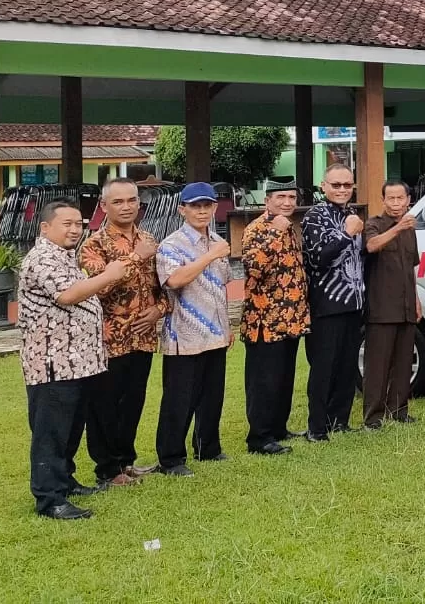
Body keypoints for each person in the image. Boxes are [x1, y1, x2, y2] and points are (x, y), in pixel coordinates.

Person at [18, 200, 128, 519]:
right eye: (66, 223)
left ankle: (64, 482)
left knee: (69, 428)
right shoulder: (41, 259)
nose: (74, 229)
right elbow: (68, 295)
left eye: (78, 223)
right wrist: (110, 274)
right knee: (51, 431)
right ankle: (49, 498)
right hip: (52, 363)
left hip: (75, 361)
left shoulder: (63, 257)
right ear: (45, 228)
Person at [79, 178, 163, 487]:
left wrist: (159, 310)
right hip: (109, 339)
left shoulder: (149, 239)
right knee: (104, 406)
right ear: (104, 206)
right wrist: (136, 256)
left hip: (142, 337)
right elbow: (97, 287)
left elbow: (161, 286)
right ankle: (107, 469)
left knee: (133, 401)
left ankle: (126, 461)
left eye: (131, 200)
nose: (126, 207)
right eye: (118, 202)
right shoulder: (93, 245)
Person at [154, 183, 234, 477]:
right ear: (182, 210)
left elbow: (221, 287)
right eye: (195, 206)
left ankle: (208, 447)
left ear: (215, 208)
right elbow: (174, 281)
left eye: (207, 205)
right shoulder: (172, 245)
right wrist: (210, 255)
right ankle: (171, 458)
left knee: (212, 394)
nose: (202, 211)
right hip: (184, 335)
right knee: (179, 398)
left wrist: (226, 326)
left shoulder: (216, 240)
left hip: (215, 332)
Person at [238, 176, 309, 455]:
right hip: (264, 320)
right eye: (281, 198)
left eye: (291, 198)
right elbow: (254, 269)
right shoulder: (258, 229)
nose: (287, 203)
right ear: (268, 200)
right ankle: (259, 437)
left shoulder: (290, 227)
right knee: (263, 381)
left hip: (290, 319)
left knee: (283, 378)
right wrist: (275, 233)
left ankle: (278, 427)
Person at [302, 165, 366, 440]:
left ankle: (339, 420)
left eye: (347, 185)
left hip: (352, 304)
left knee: (347, 366)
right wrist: (346, 234)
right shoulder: (314, 216)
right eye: (336, 185)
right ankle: (317, 427)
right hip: (326, 305)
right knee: (324, 367)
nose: (342, 190)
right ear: (323, 186)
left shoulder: (351, 215)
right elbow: (317, 258)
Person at [362, 179, 422, 429]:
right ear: (383, 200)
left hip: (407, 305)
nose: (396, 203)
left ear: (409, 200)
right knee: (378, 364)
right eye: (391, 198)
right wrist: (397, 228)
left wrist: (417, 300)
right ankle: (373, 416)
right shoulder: (374, 224)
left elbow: (410, 268)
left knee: (403, 361)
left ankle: (398, 409)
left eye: (401, 198)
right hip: (382, 307)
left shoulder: (410, 229)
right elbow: (371, 245)